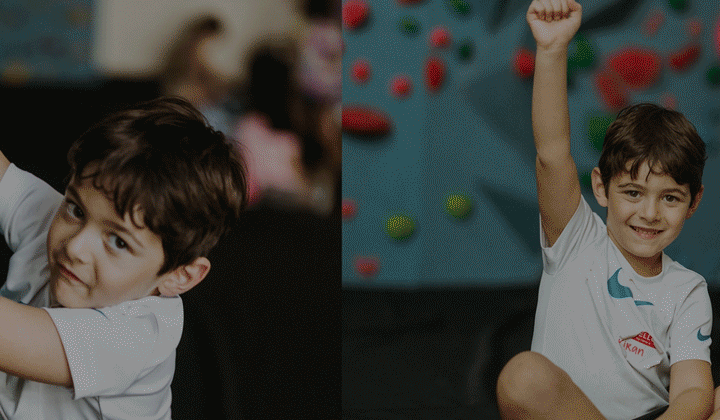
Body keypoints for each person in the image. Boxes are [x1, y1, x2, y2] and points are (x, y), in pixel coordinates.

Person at [496, 1, 717, 419]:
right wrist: (552, 49)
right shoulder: (576, 238)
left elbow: (692, 393)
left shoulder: (687, 289)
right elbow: (552, 153)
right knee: (523, 375)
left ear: (693, 203)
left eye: (669, 198)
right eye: (633, 193)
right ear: (601, 187)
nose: (649, 213)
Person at [0, 96, 246, 419]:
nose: (75, 247)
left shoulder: (138, 337)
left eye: (118, 242)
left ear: (180, 275)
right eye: (76, 208)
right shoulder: (64, 226)